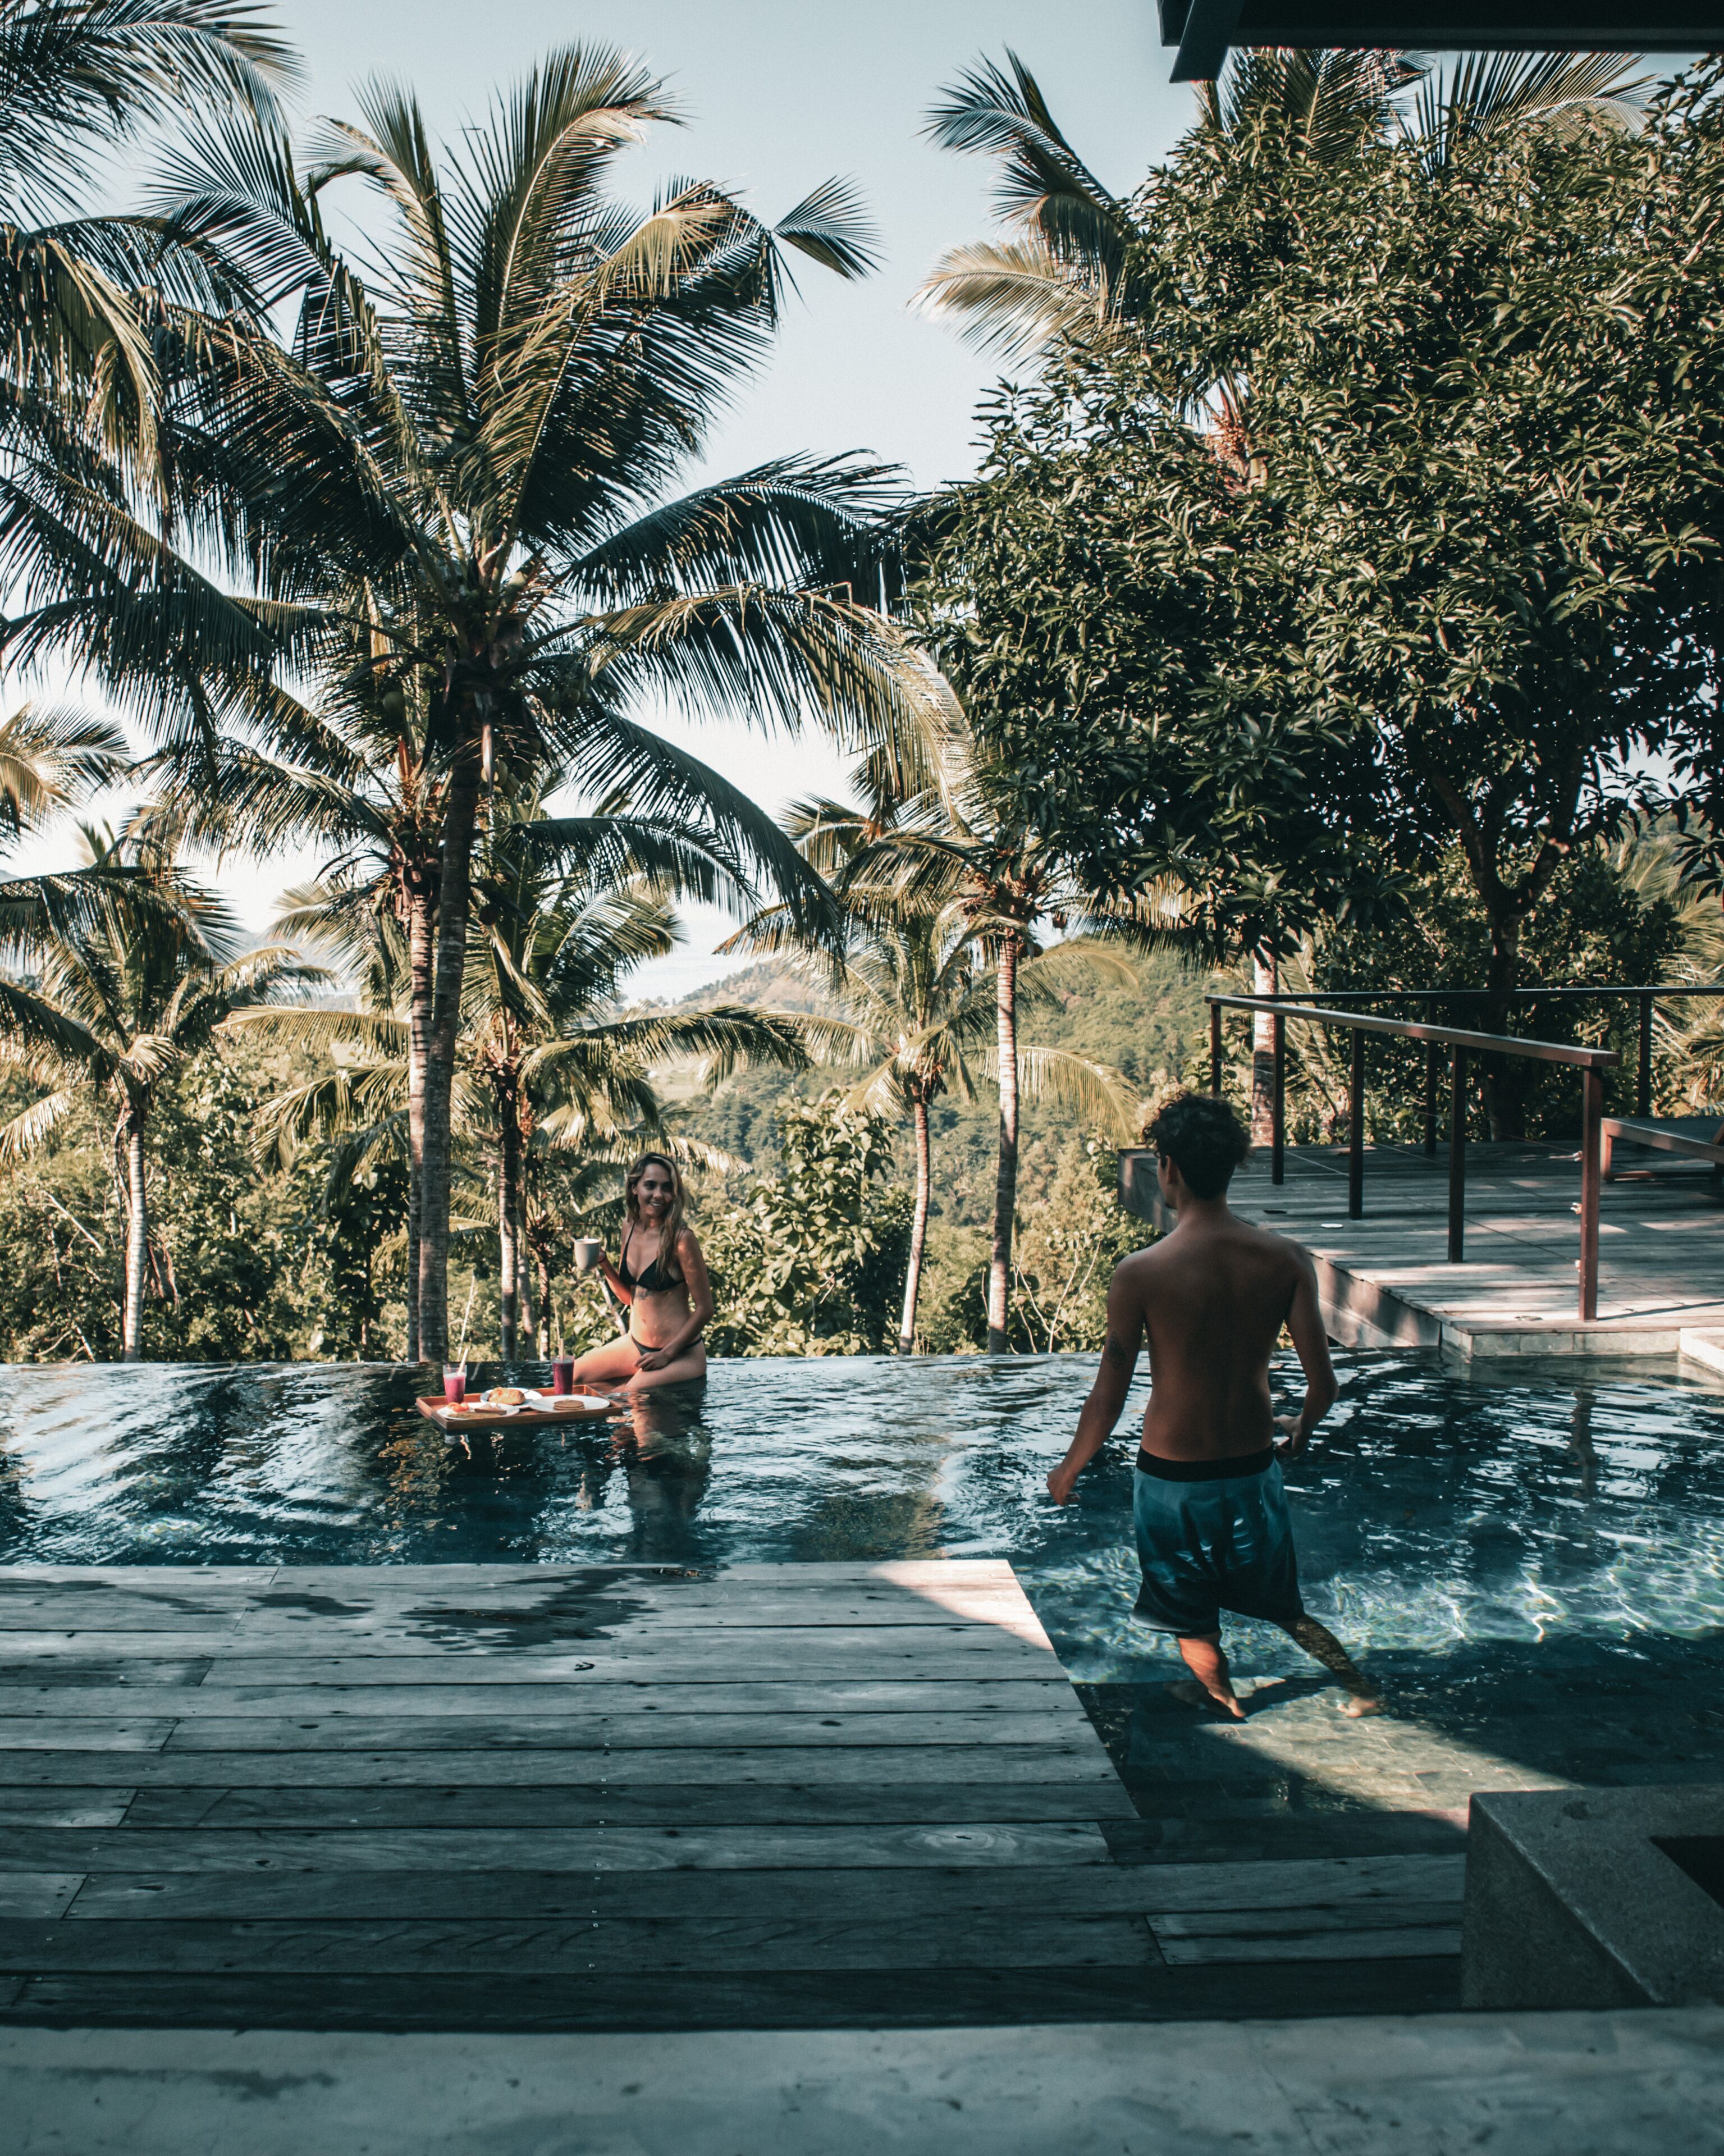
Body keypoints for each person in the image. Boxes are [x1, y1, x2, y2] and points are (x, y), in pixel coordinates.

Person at [1046, 1090, 1381, 1719]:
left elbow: (1108, 1395)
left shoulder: (1140, 1272)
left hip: (1172, 1480)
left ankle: (1222, 1696)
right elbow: (1323, 1386)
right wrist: (1299, 1428)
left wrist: (1069, 1468)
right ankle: (1361, 1688)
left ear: (1167, 1167)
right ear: (1231, 1167)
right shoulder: (1283, 1260)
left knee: (1189, 1613)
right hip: (1252, 1470)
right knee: (1283, 1605)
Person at [563, 1153, 713, 1394]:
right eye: (650, 1186)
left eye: (666, 1188)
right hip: (636, 1345)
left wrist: (668, 1354)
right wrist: (604, 1263)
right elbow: (629, 1299)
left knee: (626, 1397)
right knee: (569, 1378)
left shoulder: (682, 1239)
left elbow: (706, 1309)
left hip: (680, 1355)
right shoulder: (629, 1227)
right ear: (634, 1188)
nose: (658, 1195)